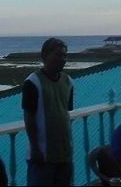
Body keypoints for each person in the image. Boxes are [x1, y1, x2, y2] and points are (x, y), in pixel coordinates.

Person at [21, 37, 74, 186]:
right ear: (45, 56)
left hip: (64, 153)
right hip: (42, 155)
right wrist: (35, 148)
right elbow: (29, 117)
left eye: (64, 55)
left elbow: (65, 112)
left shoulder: (68, 81)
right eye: (58, 55)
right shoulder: (33, 82)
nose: (62, 59)